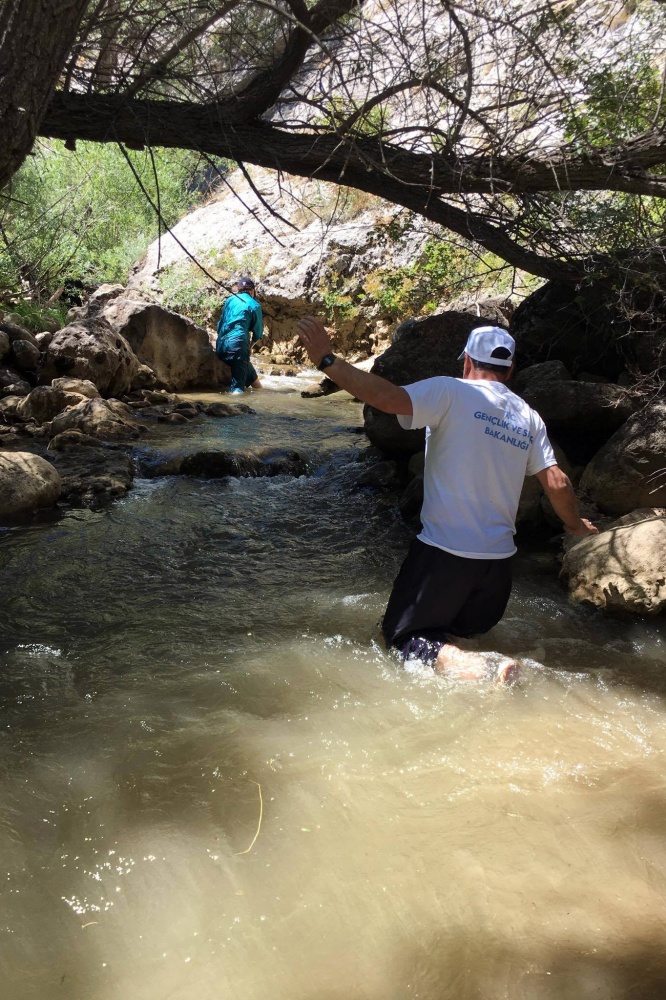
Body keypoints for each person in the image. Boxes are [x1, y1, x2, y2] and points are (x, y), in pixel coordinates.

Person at [297, 317, 598, 680]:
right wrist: (574, 524)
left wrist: (327, 360)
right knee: (452, 637)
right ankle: (483, 667)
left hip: (444, 556)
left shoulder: (451, 391)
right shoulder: (527, 416)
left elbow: (386, 397)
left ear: (467, 361)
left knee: (401, 639)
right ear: (511, 368)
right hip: (497, 570)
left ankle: (485, 668)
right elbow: (558, 481)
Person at [216, 276, 263, 394]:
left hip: (221, 346)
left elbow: (219, 325)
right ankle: (235, 409)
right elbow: (258, 333)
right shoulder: (254, 304)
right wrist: (250, 347)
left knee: (248, 369)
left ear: (239, 290)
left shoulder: (229, 300)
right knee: (238, 388)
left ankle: (261, 392)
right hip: (237, 347)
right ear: (252, 291)